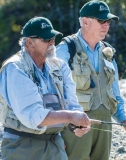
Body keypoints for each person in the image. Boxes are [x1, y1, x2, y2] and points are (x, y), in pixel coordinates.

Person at [56, 1, 126, 160]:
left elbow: (114, 94)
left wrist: (124, 121)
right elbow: (51, 93)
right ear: (85, 22)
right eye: (102, 21)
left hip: (104, 124)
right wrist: (56, 135)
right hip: (75, 127)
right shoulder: (65, 49)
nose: (106, 25)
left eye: (108, 21)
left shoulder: (108, 52)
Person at [0, 16, 91, 160]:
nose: (52, 43)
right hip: (21, 146)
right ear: (29, 42)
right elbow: (35, 116)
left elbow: (72, 104)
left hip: (55, 145)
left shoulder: (60, 66)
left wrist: (77, 125)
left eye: (53, 39)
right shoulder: (15, 68)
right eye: (46, 40)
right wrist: (70, 116)